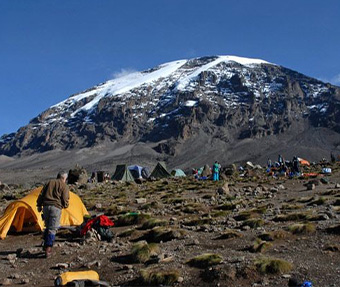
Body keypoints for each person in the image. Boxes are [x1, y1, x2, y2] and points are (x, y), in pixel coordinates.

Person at [37, 172, 69, 258]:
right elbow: (65, 198)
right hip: (56, 208)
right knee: (53, 228)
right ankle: (48, 249)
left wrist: (39, 205)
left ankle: (45, 244)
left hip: (46, 207)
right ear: (64, 178)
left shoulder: (48, 182)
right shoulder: (64, 185)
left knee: (47, 226)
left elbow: (41, 194)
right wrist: (65, 205)